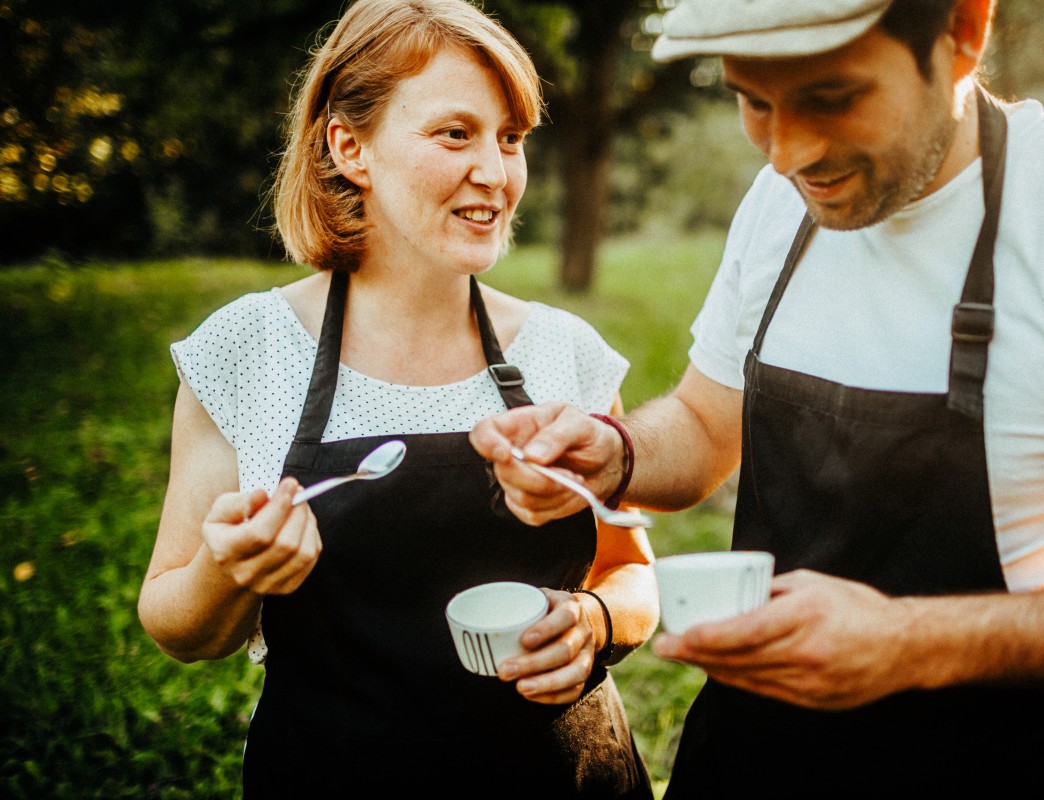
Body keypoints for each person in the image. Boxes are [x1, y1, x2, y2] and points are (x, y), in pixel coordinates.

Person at [469, 0, 1044, 796]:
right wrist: (618, 455)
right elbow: (706, 424)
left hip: (982, 765)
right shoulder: (782, 199)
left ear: (963, 31)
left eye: (832, 97)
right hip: (747, 756)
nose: (788, 154)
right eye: (754, 101)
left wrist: (913, 642)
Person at [136, 1, 659, 796]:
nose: (496, 171)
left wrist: (594, 623)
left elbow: (635, 579)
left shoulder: (565, 351)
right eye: (456, 133)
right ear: (351, 147)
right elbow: (177, 624)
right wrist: (230, 570)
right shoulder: (247, 350)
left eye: (510, 138)